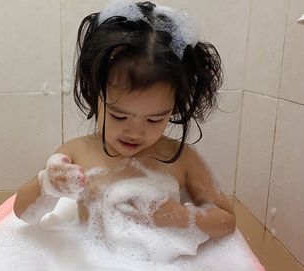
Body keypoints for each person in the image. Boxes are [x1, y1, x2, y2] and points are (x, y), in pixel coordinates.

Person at [13, 0, 235, 241]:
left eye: (154, 119)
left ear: (173, 109)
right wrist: (48, 185)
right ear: (95, 94)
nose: (135, 131)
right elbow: (22, 212)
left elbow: (227, 221)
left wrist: (181, 217)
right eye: (119, 116)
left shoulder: (182, 160)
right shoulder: (77, 153)